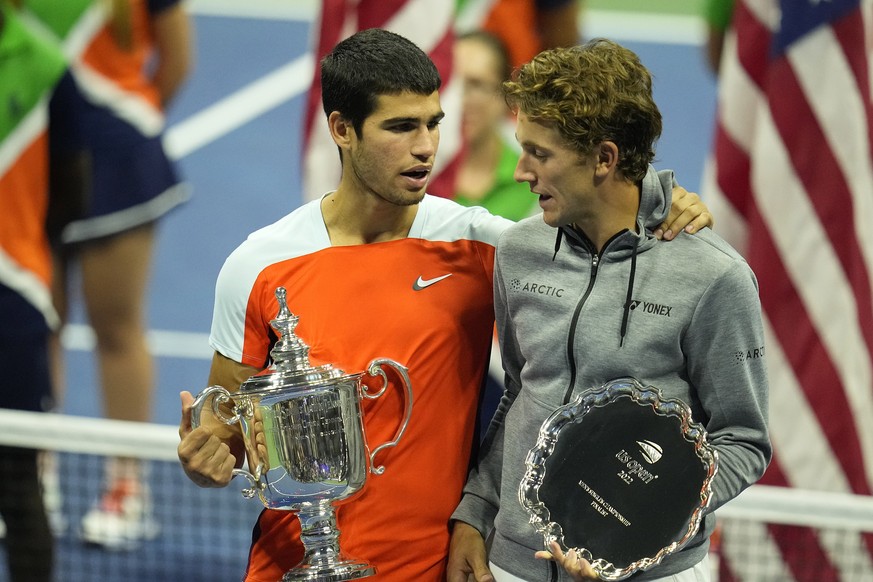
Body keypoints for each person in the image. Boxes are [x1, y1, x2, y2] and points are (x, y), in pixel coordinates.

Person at [177, 29, 714, 582]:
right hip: (296, 566)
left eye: (433, 122)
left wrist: (659, 198)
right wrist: (205, 459)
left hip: (434, 569)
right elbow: (230, 431)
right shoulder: (257, 267)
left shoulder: (482, 245)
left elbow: (605, 224)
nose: (426, 146)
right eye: (400, 126)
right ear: (341, 129)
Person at [447, 39, 771, 582]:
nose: (522, 171)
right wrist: (475, 515)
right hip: (514, 564)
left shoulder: (715, 276)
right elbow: (522, 393)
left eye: (540, 154)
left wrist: (640, 531)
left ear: (604, 158)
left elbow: (742, 439)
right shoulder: (520, 251)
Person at [22, 0, 193, 549]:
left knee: (115, 325)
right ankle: (32, 475)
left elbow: (177, 61)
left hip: (116, 158)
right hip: (34, 156)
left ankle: (127, 489)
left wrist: (125, 120)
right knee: (36, 321)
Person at [0, 2, 85, 579]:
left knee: (17, 485)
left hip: (14, 300)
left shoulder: (46, 64)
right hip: (22, 292)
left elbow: (71, 194)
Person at [454, 30, 537, 222]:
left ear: (507, 96)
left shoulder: (535, 178)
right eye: (452, 85)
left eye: (476, 85)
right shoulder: (418, 174)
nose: (460, 100)